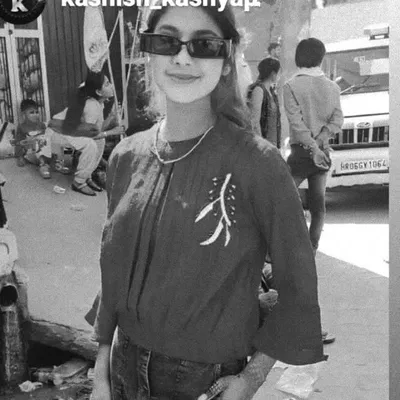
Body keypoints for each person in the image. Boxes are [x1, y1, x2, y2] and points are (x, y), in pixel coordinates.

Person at [90, 4, 326, 400]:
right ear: (149, 52)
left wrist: (250, 380)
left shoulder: (258, 164)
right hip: (121, 368)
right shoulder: (125, 156)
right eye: (167, 41)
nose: (182, 57)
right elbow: (112, 275)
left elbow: (297, 286)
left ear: (228, 59)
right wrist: (100, 374)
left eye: (204, 44)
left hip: (199, 380)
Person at [283, 38, 343, 346]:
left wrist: (309, 146)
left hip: (300, 152)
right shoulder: (332, 87)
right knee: (318, 207)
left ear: (298, 57)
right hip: (322, 152)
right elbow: (337, 120)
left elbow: (295, 123)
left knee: (286, 202)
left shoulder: (291, 86)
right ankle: (311, 249)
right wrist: (320, 143)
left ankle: (290, 250)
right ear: (321, 57)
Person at [48, 69, 125, 196]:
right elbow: (90, 135)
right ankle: (78, 182)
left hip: (71, 132)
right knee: (90, 145)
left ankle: (87, 175)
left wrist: (111, 116)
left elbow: (97, 130)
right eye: (107, 84)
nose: (111, 86)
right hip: (57, 132)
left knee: (100, 141)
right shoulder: (91, 105)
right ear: (98, 92)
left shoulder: (99, 104)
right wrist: (112, 132)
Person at [247, 57, 281, 148]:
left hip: (273, 144)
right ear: (273, 74)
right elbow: (255, 121)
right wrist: (261, 145)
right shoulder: (259, 90)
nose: (280, 75)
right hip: (263, 146)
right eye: (279, 72)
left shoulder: (272, 91)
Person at [15, 99, 52, 179]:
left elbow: (47, 140)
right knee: (38, 140)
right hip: (31, 154)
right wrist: (20, 157)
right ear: (24, 114)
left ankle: (59, 162)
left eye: (37, 112)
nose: (35, 115)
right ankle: (43, 165)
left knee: (51, 137)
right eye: (31, 113)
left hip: (45, 152)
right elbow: (18, 143)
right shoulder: (21, 127)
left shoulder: (41, 125)